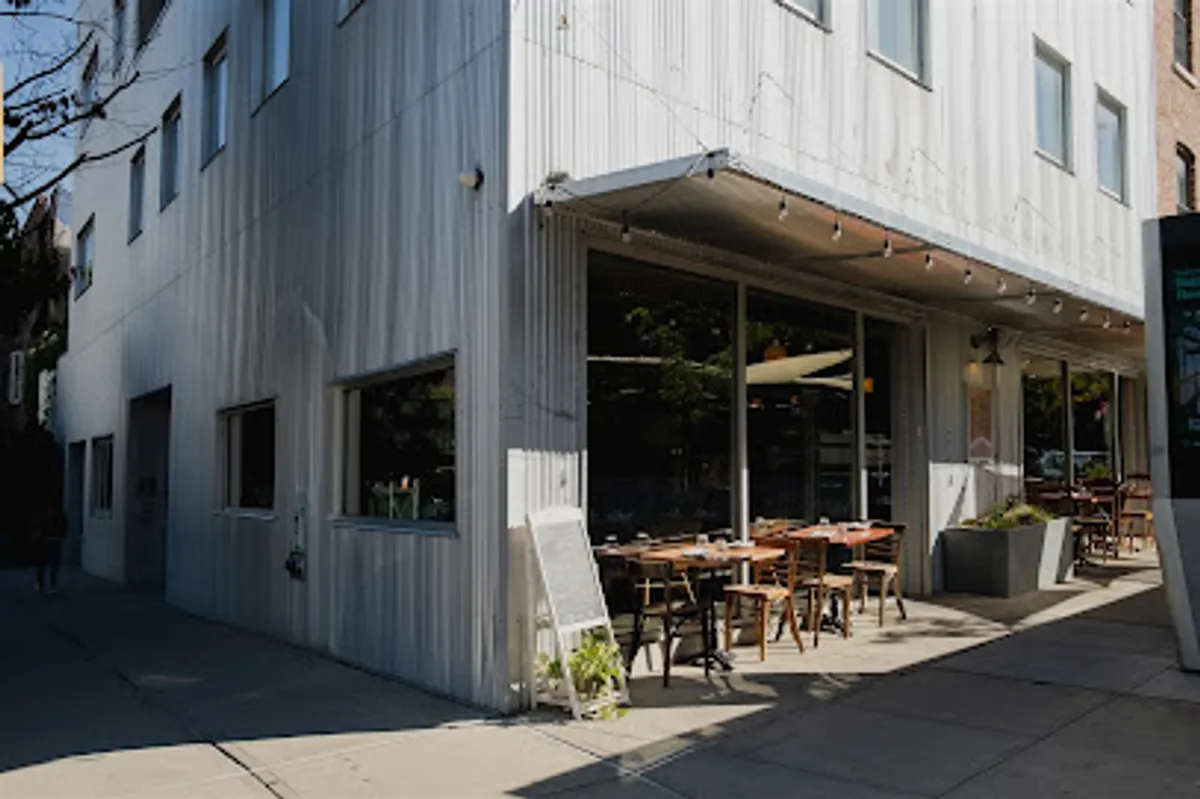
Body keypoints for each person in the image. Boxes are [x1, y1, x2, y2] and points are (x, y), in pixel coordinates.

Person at [34, 505, 66, 594]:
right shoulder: (60, 516)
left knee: (42, 564)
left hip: (46, 540)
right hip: (54, 540)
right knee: (53, 564)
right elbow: (64, 527)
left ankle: (41, 584)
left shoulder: (43, 515)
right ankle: (51, 585)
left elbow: (39, 527)